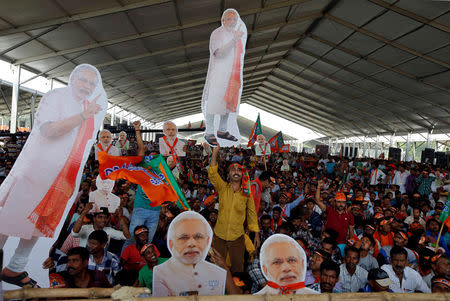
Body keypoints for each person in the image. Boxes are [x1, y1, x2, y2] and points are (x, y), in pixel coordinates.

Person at [0, 64, 107, 287]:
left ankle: (15, 268)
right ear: (72, 79)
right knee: (9, 219)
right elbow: (48, 131)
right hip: (35, 170)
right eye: (83, 80)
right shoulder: (56, 97)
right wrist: (82, 116)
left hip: (61, 176)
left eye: (91, 83)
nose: (86, 86)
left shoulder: (89, 107)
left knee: (40, 223)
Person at [208, 145, 259, 273]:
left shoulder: (247, 193)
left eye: (239, 170)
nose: (236, 172)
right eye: (233, 170)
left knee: (237, 268)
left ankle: (236, 290)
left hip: (237, 237)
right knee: (217, 267)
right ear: (228, 174)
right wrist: (215, 152)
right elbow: (213, 173)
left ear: (243, 174)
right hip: (219, 235)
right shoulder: (223, 187)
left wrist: (256, 234)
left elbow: (252, 213)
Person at [152, 211, 226, 296]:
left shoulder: (218, 273)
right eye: (184, 238)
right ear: (171, 243)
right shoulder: (161, 273)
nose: (191, 244)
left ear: (207, 241)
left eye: (198, 237)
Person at [201, 9, 247, 147]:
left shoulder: (235, 34)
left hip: (233, 74)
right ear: (223, 20)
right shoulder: (217, 34)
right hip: (219, 74)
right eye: (229, 19)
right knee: (214, 104)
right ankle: (209, 132)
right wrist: (234, 40)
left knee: (228, 104)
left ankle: (222, 130)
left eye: (234, 19)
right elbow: (218, 53)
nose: (232, 22)